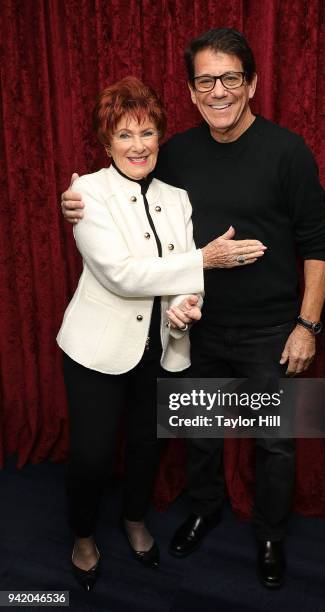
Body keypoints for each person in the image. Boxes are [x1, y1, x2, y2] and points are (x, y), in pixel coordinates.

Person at [61, 29, 325, 589]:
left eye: (230, 77)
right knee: (201, 434)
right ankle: (205, 508)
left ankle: (269, 536)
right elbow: (147, 228)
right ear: (190, 92)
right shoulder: (175, 154)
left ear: (251, 83)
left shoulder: (289, 151)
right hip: (194, 331)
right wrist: (77, 200)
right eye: (206, 80)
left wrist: (306, 325)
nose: (218, 90)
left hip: (268, 330)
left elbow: (318, 243)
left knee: (274, 441)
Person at [57, 74, 266, 591]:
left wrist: (184, 306)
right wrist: (205, 261)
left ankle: (133, 520)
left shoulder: (177, 197)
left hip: (161, 347)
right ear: (106, 143)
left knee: (148, 444)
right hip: (97, 348)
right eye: (124, 135)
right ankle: (83, 537)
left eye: (147, 133)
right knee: (92, 454)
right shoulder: (87, 193)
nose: (138, 145)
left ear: (159, 137)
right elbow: (121, 274)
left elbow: (177, 271)